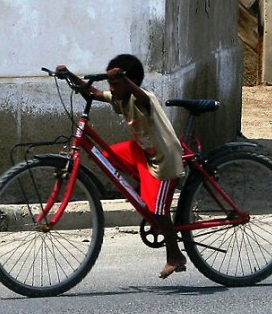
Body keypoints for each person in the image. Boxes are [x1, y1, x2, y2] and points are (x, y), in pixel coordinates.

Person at [56, 55, 187, 279]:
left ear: (128, 82)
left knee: (157, 211)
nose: (111, 88)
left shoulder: (143, 98)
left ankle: (175, 255)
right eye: (110, 84)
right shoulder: (120, 97)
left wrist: (125, 82)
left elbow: (142, 96)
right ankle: (143, 188)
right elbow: (93, 93)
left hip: (164, 161)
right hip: (145, 153)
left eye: (116, 84)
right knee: (107, 155)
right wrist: (69, 75)